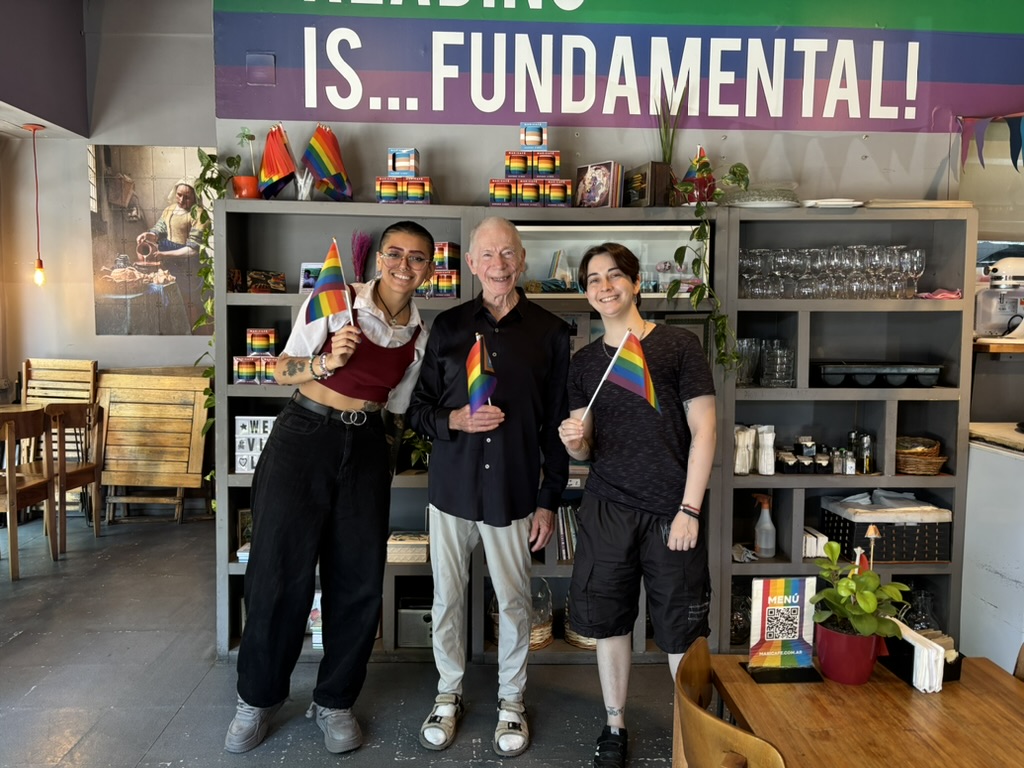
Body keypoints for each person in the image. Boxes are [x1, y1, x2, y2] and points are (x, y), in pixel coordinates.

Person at [224, 221, 437, 755]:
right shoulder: (337, 302)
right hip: (304, 435)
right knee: (277, 571)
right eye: (395, 253)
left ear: (429, 269)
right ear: (379, 259)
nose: (404, 265)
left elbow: (396, 411)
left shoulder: (419, 336)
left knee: (358, 580)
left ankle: (335, 701)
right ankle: (257, 698)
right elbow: (280, 370)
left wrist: (381, 466)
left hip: (366, 446)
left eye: (417, 258)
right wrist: (326, 360)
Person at [407, 216, 570, 758]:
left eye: (508, 253)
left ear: (521, 260)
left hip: (514, 492)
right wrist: (455, 420)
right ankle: (447, 694)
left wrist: (548, 501)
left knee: (515, 602)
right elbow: (418, 411)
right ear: (472, 264)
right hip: (451, 492)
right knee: (448, 600)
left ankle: (511, 700)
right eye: (487, 255)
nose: (498, 264)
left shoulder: (550, 332)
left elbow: (555, 426)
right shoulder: (448, 327)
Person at [556, 243, 716, 768]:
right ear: (586, 292)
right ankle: (614, 724)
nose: (604, 286)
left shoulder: (677, 345)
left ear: (636, 283)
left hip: (672, 509)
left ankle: (695, 732)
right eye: (593, 279)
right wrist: (574, 441)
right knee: (609, 622)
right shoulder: (584, 363)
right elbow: (585, 450)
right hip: (607, 508)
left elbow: (705, 430)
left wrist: (689, 509)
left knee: (681, 629)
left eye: (614, 275)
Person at [135, 180, 208, 329]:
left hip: (189, 263)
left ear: (195, 197)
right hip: (168, 259)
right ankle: (174, 330)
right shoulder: (170, 209)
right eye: (179, 195)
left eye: (187, 197)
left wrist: (164, 255)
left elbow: (192, 249)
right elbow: (159, 230)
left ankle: (192, 333)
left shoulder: (200, 214)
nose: (181, 200)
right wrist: (148, 235)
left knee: (189, 301)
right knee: (169, 298)